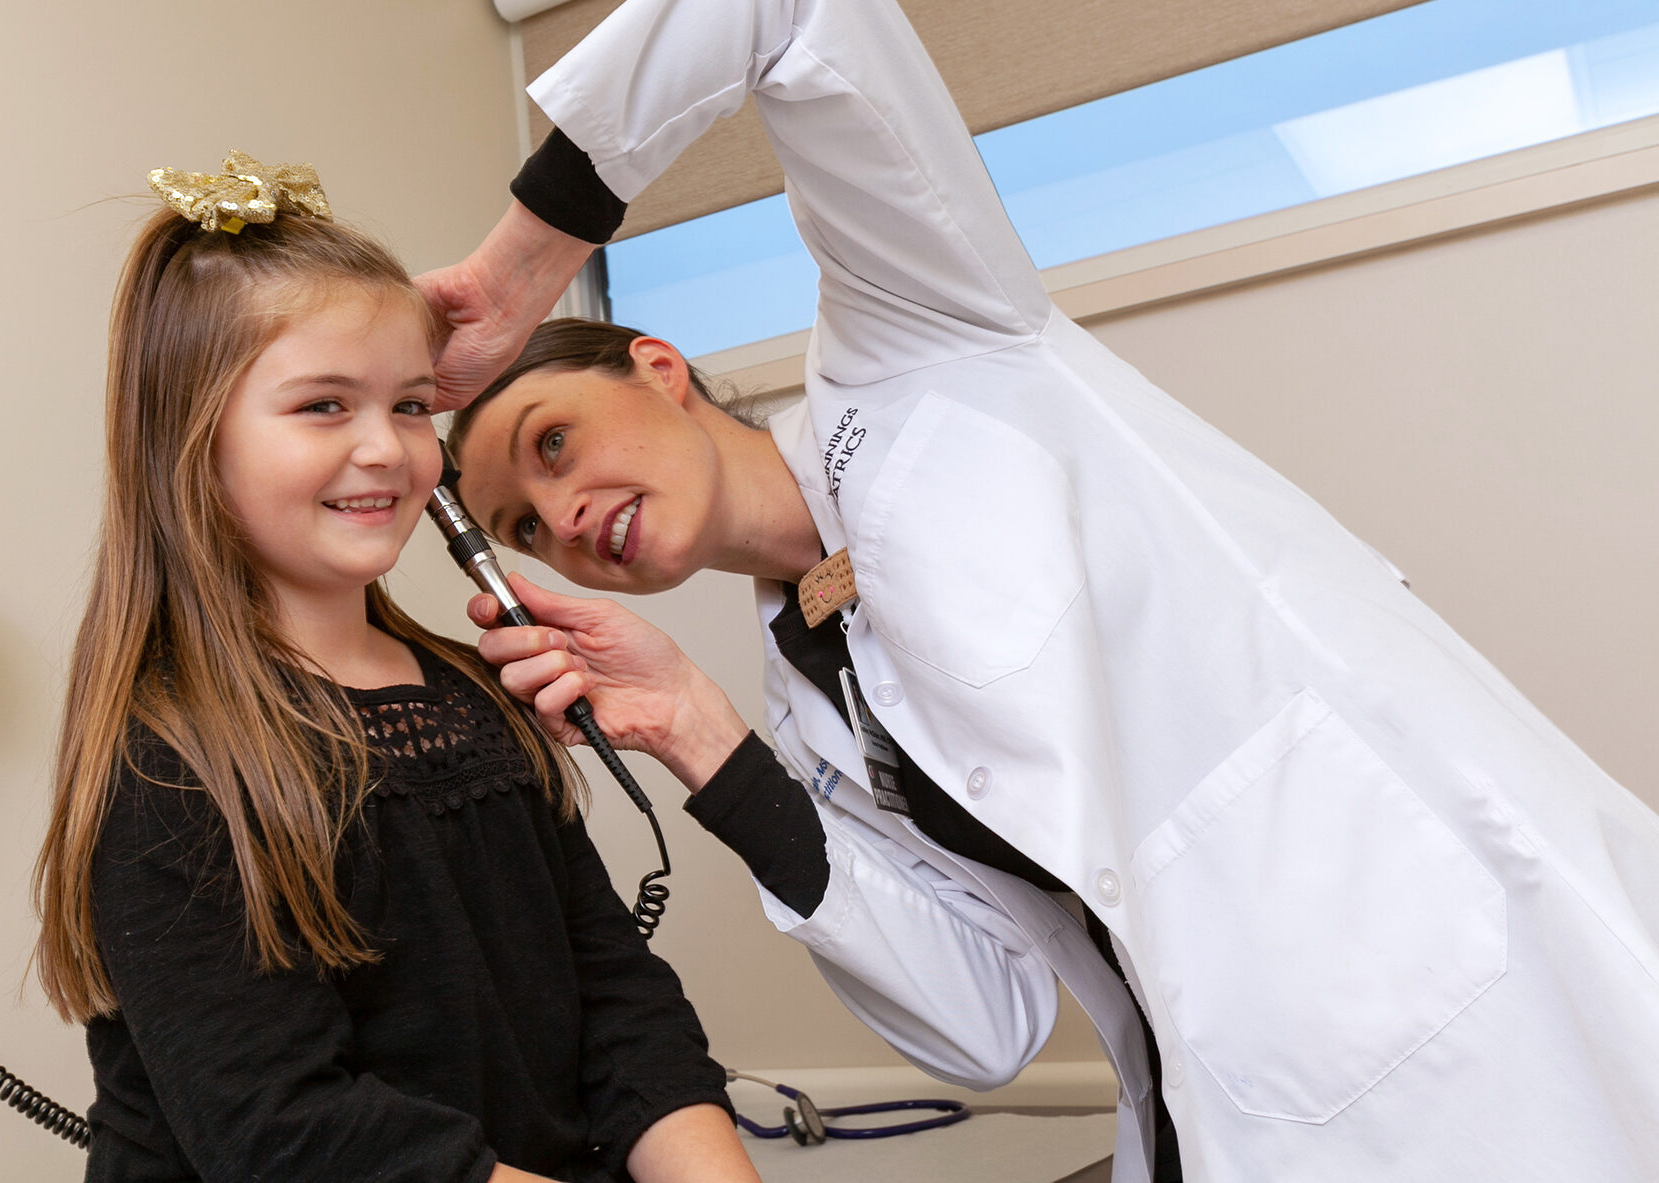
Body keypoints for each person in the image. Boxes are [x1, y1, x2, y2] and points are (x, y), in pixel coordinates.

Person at [416, 2, 1659, 1181]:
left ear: (655, 364)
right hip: (1225, 1108)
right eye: (524, 527)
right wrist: (697, 730)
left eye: (553, 440)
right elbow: (984, 1025)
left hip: (1487, 1005)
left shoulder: (925, 342)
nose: (560, 516)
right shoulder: (801, 700)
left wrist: (523, 266)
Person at [29, 154, 760, 1183]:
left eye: (411, 406)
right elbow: (289, 1133)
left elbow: (618, 1000)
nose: (387, 448)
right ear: (189, 443)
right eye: (325, 406)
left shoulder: (475, 696)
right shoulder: (172, 763)